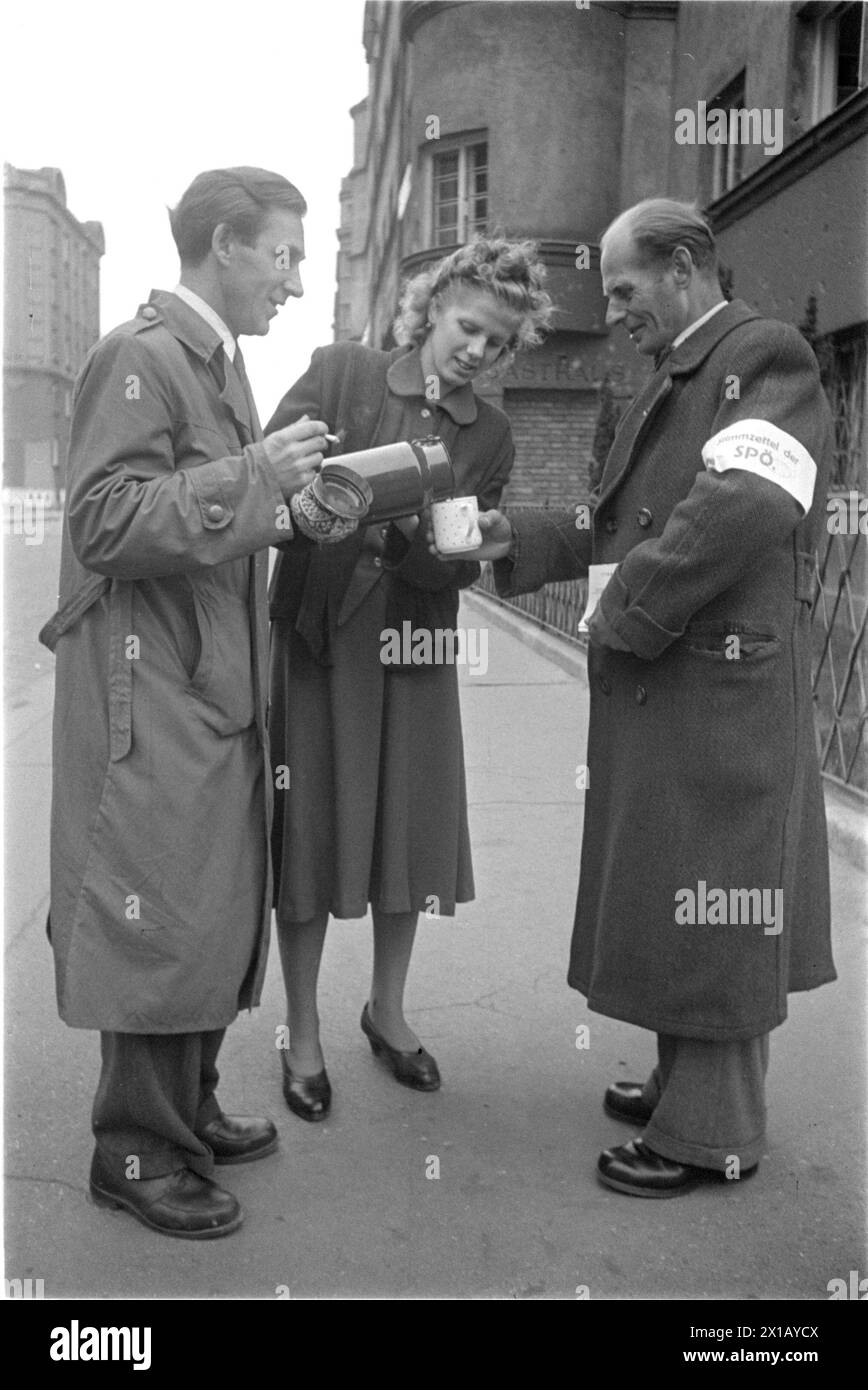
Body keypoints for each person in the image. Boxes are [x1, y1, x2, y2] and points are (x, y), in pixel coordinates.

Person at [458, 198, 835, 1197]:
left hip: (714, 679)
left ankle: (711, 1129)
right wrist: (521, 536)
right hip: (683, 674)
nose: (614, 310)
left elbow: (744, 505)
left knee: (715, 891)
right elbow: (616, 518)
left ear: (685, 267)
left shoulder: (769, 356)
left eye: (625, 289)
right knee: (681, 878)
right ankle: (682, 1082)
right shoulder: (681, 371)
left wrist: (621, 610)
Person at [40, 167, 330, 1238]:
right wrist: (255, 476)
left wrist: (287, 510)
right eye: (283, 255)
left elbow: (209, 520)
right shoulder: (143, 355)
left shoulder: (214, 365)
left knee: (204, 907)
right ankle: (133, 1147)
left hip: (203, 688)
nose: (295, 281)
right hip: (152, 695)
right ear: (221, 243)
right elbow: (103, 523)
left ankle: (185, 1108)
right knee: (154, 914)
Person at [267, 238, 553, 1119]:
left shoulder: (492, 434)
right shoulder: (344, 372)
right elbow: (269, 482)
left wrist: (424, 544)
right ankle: (303, 1028)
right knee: (311, 826)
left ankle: (387, 1011)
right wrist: (332, 508)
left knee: (409, 827)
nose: (477, 350)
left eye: (498, 343)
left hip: (417, 645)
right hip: (321, 640)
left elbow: (461, 564)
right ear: (433, 307)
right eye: (469, 326)